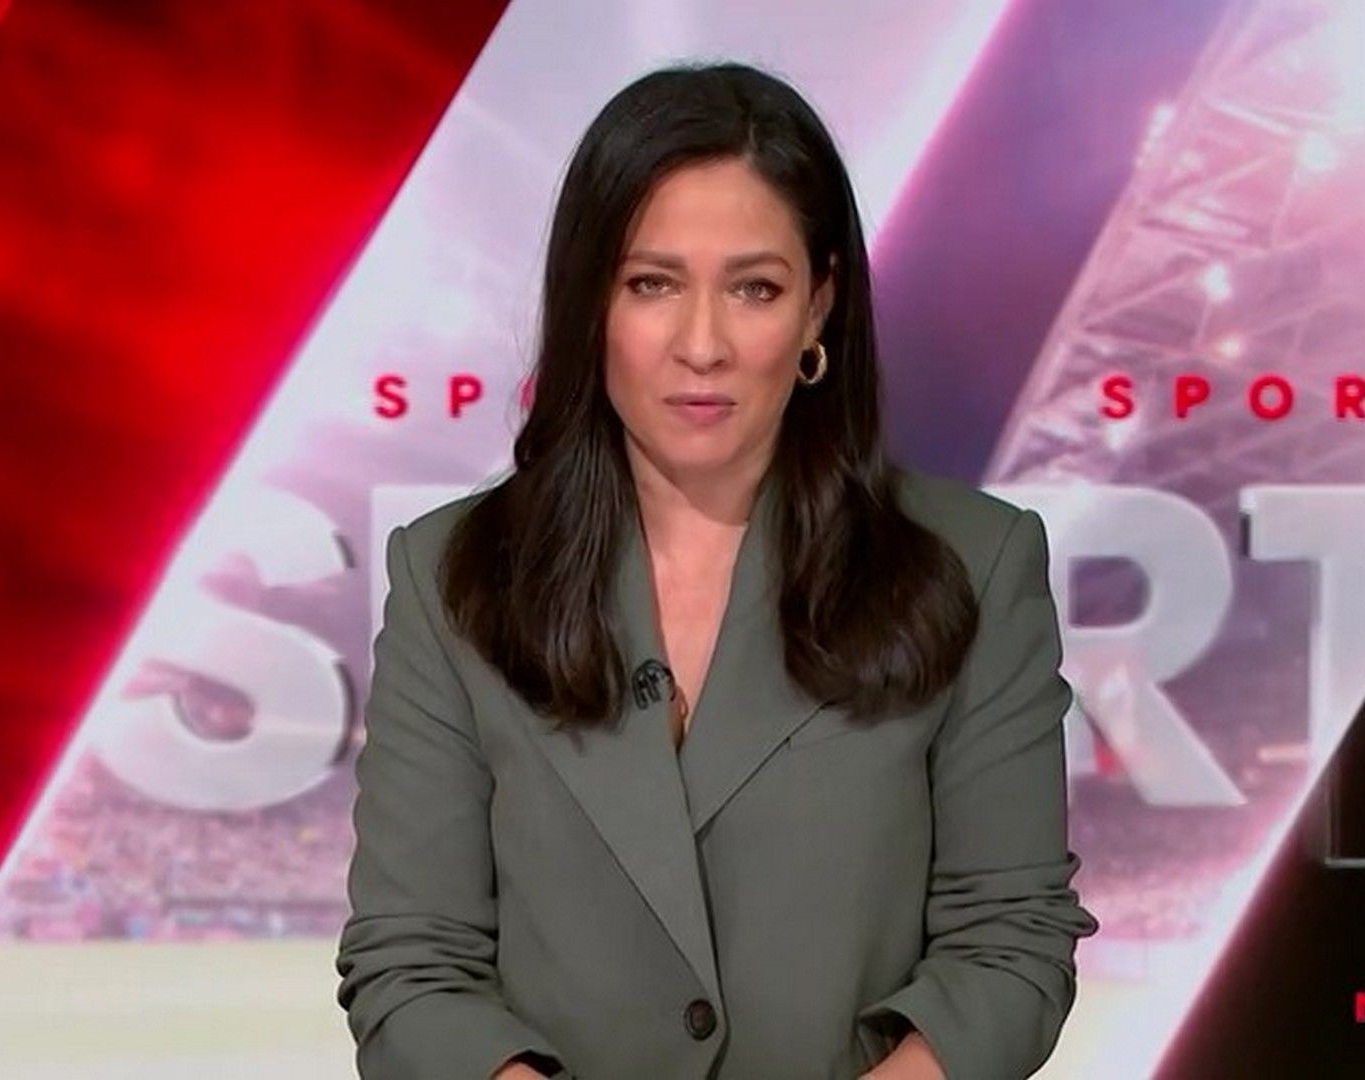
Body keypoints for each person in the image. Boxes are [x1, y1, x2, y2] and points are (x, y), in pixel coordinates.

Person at [335, 59, 1099, 1080]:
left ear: (819, 307)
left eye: (755, 289)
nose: (702, 344)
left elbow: (1010, 943)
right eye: (652, 284)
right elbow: (411, 966)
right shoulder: (451, 577)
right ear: (590, 303)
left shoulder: (975, 565)